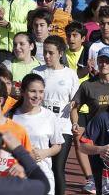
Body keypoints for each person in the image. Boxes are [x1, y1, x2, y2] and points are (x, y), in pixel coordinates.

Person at [30, 36, 79, 195]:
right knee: (40, 167)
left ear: (60, 53)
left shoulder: (70, 75)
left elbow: (74, 104)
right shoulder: (37, 72)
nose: (47, 56)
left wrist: (75, 124)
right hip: (40, 129)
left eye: (51, 53)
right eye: (45, 52)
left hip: (62, 128)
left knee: (57, 167)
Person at [8, 73, 64, 195]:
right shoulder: (11, 116)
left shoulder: (49, 116)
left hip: (43, 174)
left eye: (41, 92)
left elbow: (57, 145)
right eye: (33, 91)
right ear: (22, 92)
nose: (37, 96)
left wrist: (44, 153)